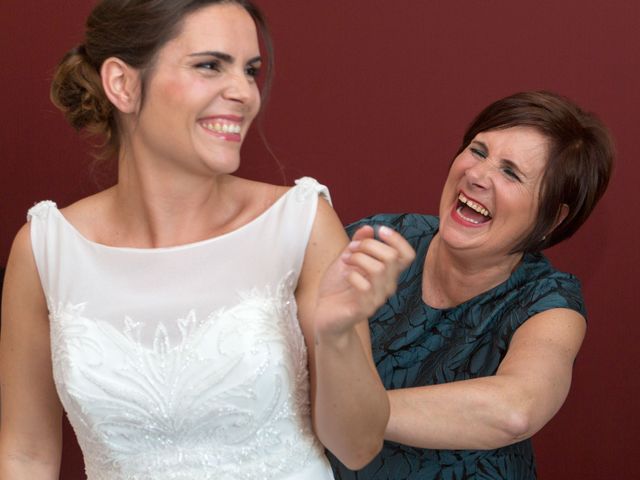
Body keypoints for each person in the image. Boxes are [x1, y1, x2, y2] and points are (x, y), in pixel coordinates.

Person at [0, 1, 415, 479]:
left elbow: (358, 447)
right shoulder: (45, 250)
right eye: (210, 66)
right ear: (123, 84)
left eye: (250, 71)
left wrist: (336, 336)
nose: (244, 93)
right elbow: (26, 455)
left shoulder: (300, 224)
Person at [329, 91, 614, 479]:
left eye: (511, 173)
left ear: (552, 219)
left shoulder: (550, 303)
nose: (477, 175)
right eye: (478, 151)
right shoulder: (381, 239)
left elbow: (516, 410)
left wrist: (353, 414)